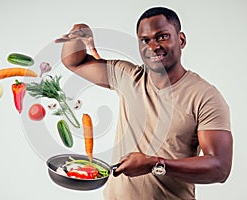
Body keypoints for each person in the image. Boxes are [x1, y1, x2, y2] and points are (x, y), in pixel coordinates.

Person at [55, 6, 233, 200]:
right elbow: (74, 62)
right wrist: (79, 32)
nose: (152, 46)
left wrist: (155, 164)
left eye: (162, 37)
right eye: (145, 40)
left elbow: (220, 168)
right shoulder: (128, 77)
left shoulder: (204, 96)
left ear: (181, 40)